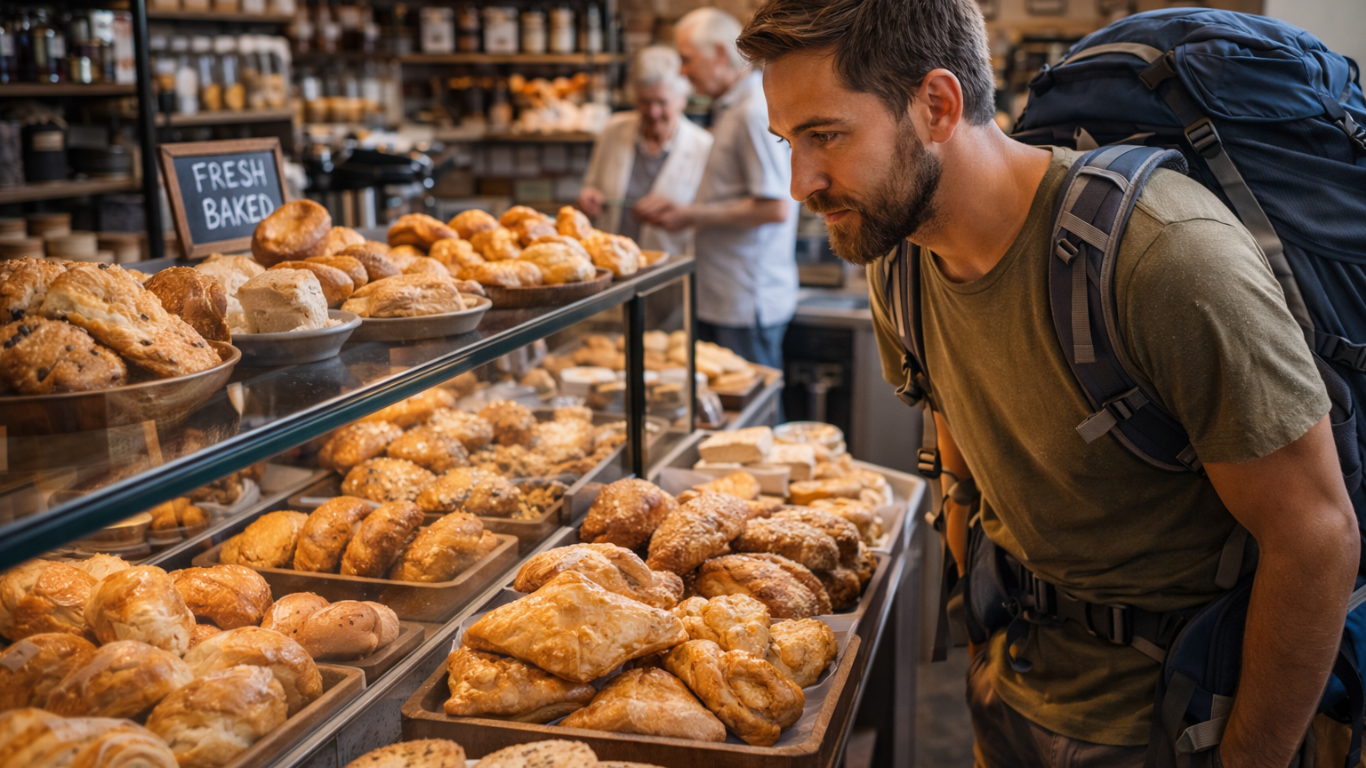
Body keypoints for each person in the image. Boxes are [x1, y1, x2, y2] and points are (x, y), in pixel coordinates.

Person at [739, 1, 1358, 767]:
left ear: (936, 105)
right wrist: (981, 646)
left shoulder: (1163, 258)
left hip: (1180, 718)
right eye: (788, 142)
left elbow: (1317, 538)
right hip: (1015, 686)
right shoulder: (898, 257)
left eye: (826, 135)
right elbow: (958, 454)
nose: (802, 182)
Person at [634, 8, 799, 370]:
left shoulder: (753, 112)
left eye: (686, 59)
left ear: (719, 55)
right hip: (724, 296)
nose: (681, 70)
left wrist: (689, 214)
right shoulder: (732, 107)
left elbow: (775, 207)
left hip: (744, 301)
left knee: (751, 413)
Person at [577, 45, 713, 257]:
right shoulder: (614, 130)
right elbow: (592, 185)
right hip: (611, 262)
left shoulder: (702, 146)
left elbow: (705, 216)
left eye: (661, 102)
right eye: (644, 101)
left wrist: (680, 213)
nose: (653, 112)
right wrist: (589, 198)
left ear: (682, 99)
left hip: (668, 267)